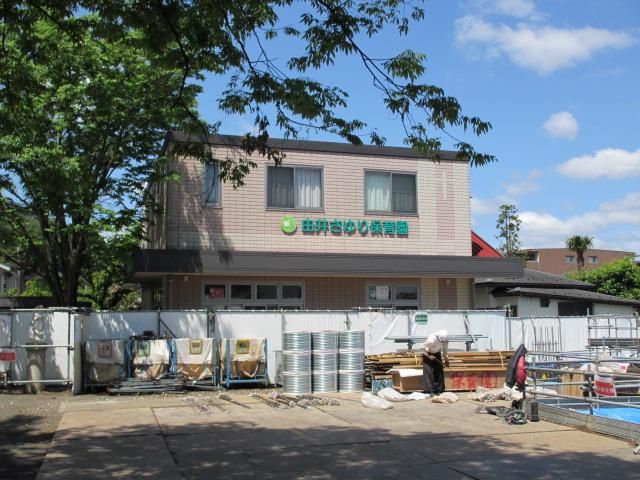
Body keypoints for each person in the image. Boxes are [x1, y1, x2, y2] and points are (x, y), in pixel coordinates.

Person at [421, 329, 450, 395]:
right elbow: (421, 347)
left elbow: (445, 349)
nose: (443, 342)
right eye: (442, 341)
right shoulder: (431, 340)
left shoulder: (445, 340)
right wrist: (428, 356)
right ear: (438, 338)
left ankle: (439, 389)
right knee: (428, 372)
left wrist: (446, 359)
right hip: (428, 353)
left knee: (439, 371)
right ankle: (429, 391)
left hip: (437, 353)